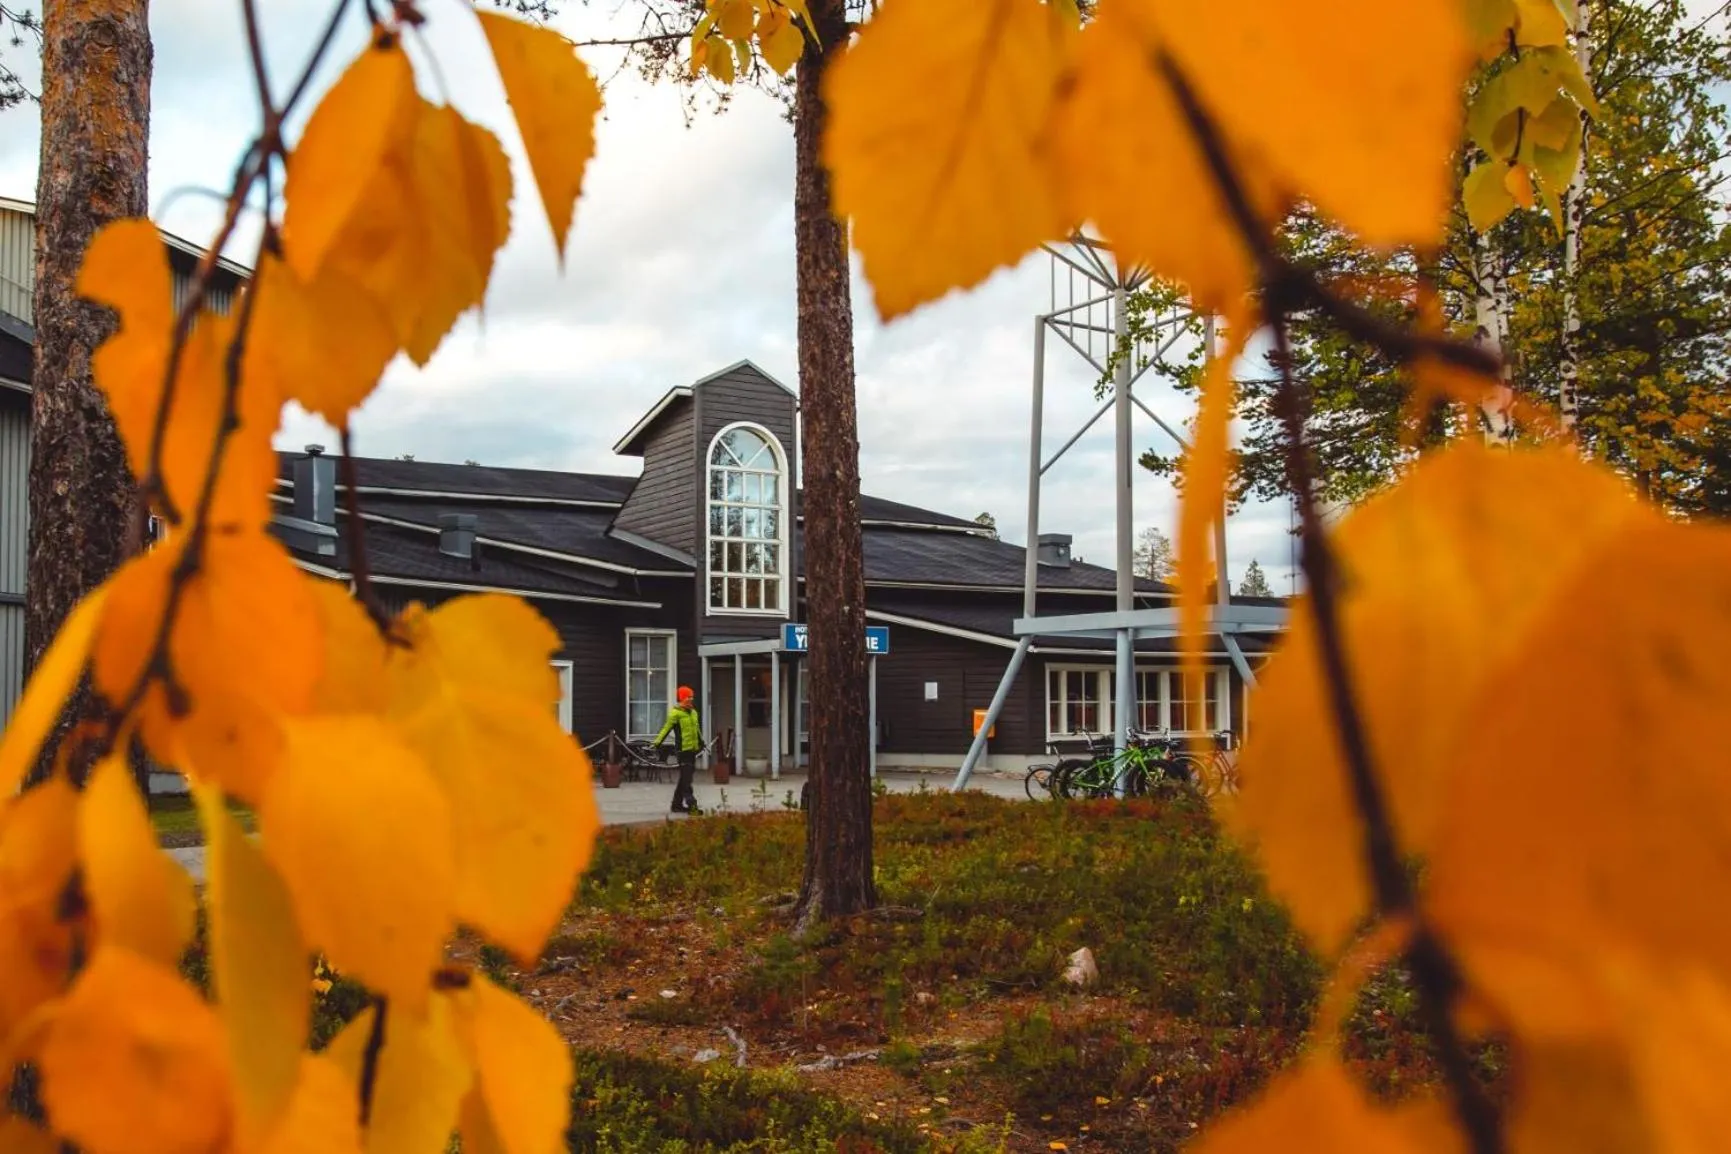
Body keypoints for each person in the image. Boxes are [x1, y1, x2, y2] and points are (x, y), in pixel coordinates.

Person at [655, 685, 703, 814]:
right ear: (682, 698)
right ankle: (692, 805)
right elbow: (666, 729)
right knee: (687, 779)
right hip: (682, 750)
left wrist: (701, 741)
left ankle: (676, 805)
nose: (691, 699)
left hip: (692, 749)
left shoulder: (693, 712)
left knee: (685, 778)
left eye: (691, 696)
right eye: (688, 696)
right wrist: (657, 743)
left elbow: (696, 729)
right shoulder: (675, 713)